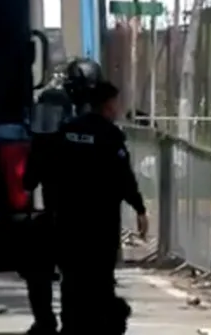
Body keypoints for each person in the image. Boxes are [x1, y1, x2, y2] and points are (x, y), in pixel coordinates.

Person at [52, 79, 149, 335]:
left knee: (71, 278)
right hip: (100, 223)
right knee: (100, 279)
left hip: (69, 220)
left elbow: (53, 173)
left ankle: (71, 325)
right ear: (107, 104)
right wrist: (139, 208)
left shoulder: (67, 131)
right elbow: (123, 177)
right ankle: (98, 325)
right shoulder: (110, 135)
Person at [20, 59, 103, 335]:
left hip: (65, 214)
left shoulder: (60, 122)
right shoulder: (94, 123)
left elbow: (31, 177)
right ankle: (61, 322)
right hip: (77, 216)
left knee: (49, 272)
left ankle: (52, 322)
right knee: (66, 274)